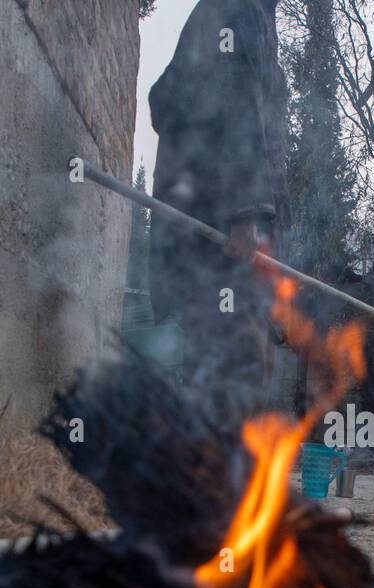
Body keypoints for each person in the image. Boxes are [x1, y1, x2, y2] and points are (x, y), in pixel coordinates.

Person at [147, 0, 289, 406]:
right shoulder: (237, 7)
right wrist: (243, 213)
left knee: (244, 352)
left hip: (223, 228)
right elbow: (236, 105)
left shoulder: (258, 16)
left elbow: (168, 99)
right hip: (218, 229)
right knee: (234, 354)